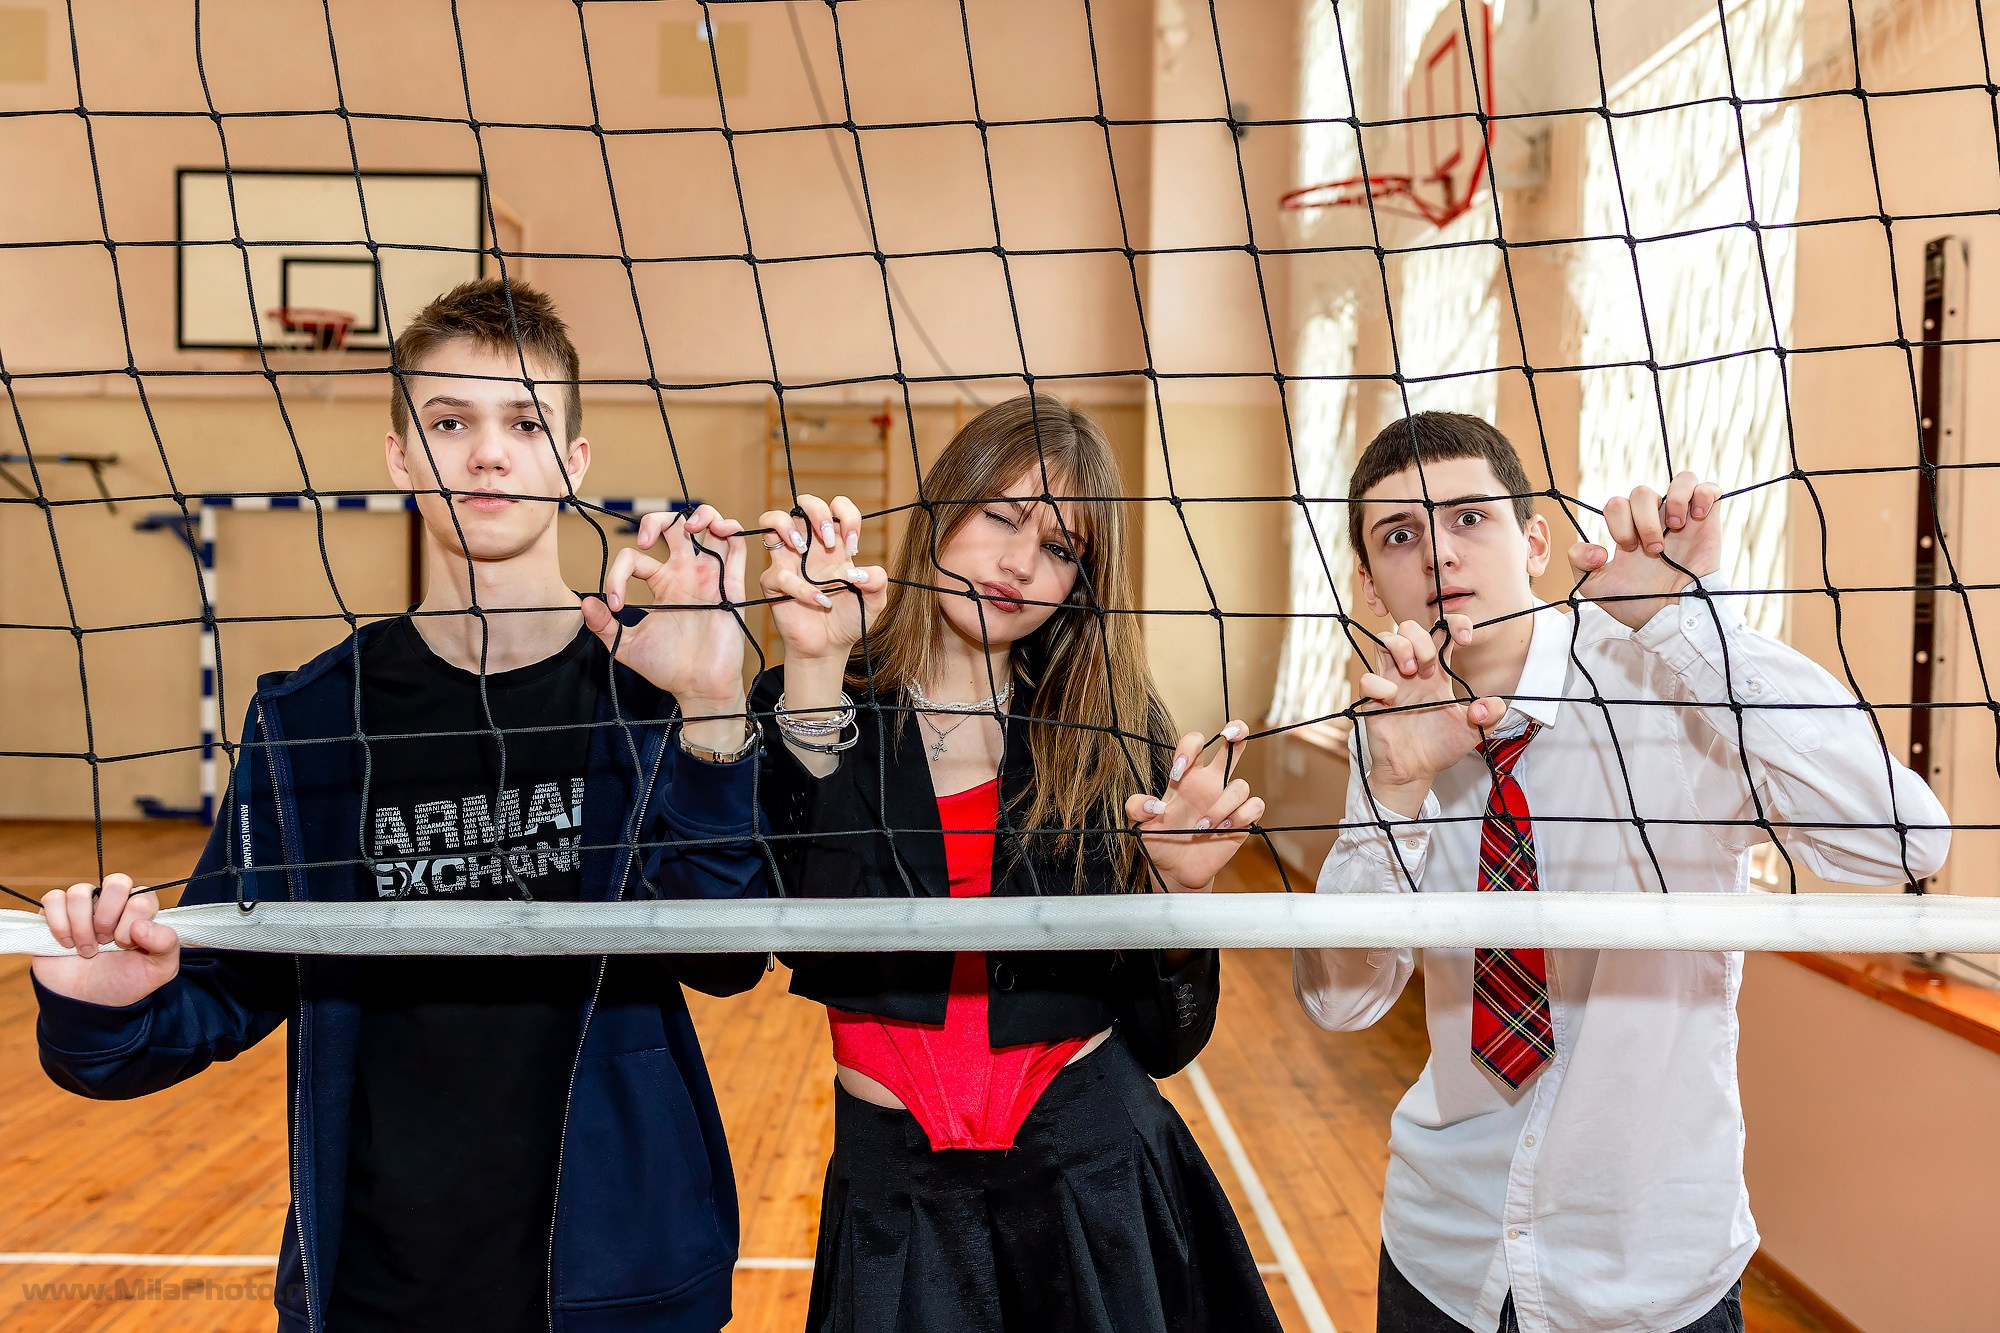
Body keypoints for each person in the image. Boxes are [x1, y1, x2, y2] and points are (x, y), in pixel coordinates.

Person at [32, 277, 770, 1333]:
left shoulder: (649, 693)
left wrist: (711, 707)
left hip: (618, 1274)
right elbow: (224, 991)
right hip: (377, 1283)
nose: (488, 454)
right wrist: (103, 1009)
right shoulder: (310, 717)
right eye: (449, 422)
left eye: (525, 423)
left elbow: (726, 955)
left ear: (573, 461)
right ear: (400, 456)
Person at [1293, 411, 1951, 1333]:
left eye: (1470, 517)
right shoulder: (1395, 726)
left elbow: (1906, 841)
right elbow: (1342, 1002)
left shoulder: (1667, 681)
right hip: (1443, 1256)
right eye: (1401, 534)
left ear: (1535, 542)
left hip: (1648, 1271)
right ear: (1368, 584)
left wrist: (1692, 628)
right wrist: (1393, 793)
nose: (1439, 552)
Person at [751, 393, 1282, 1333]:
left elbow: (1169, 1042)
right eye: (1001, 515)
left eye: (1060, 548)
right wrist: (817, 676)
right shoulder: (819, 693)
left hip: (1091, 1179)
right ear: (943, 505)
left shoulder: (1113, 732)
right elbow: (809, 920)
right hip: (898, 1197)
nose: (1019, 564)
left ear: (1082, 581)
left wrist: (1177, 896)